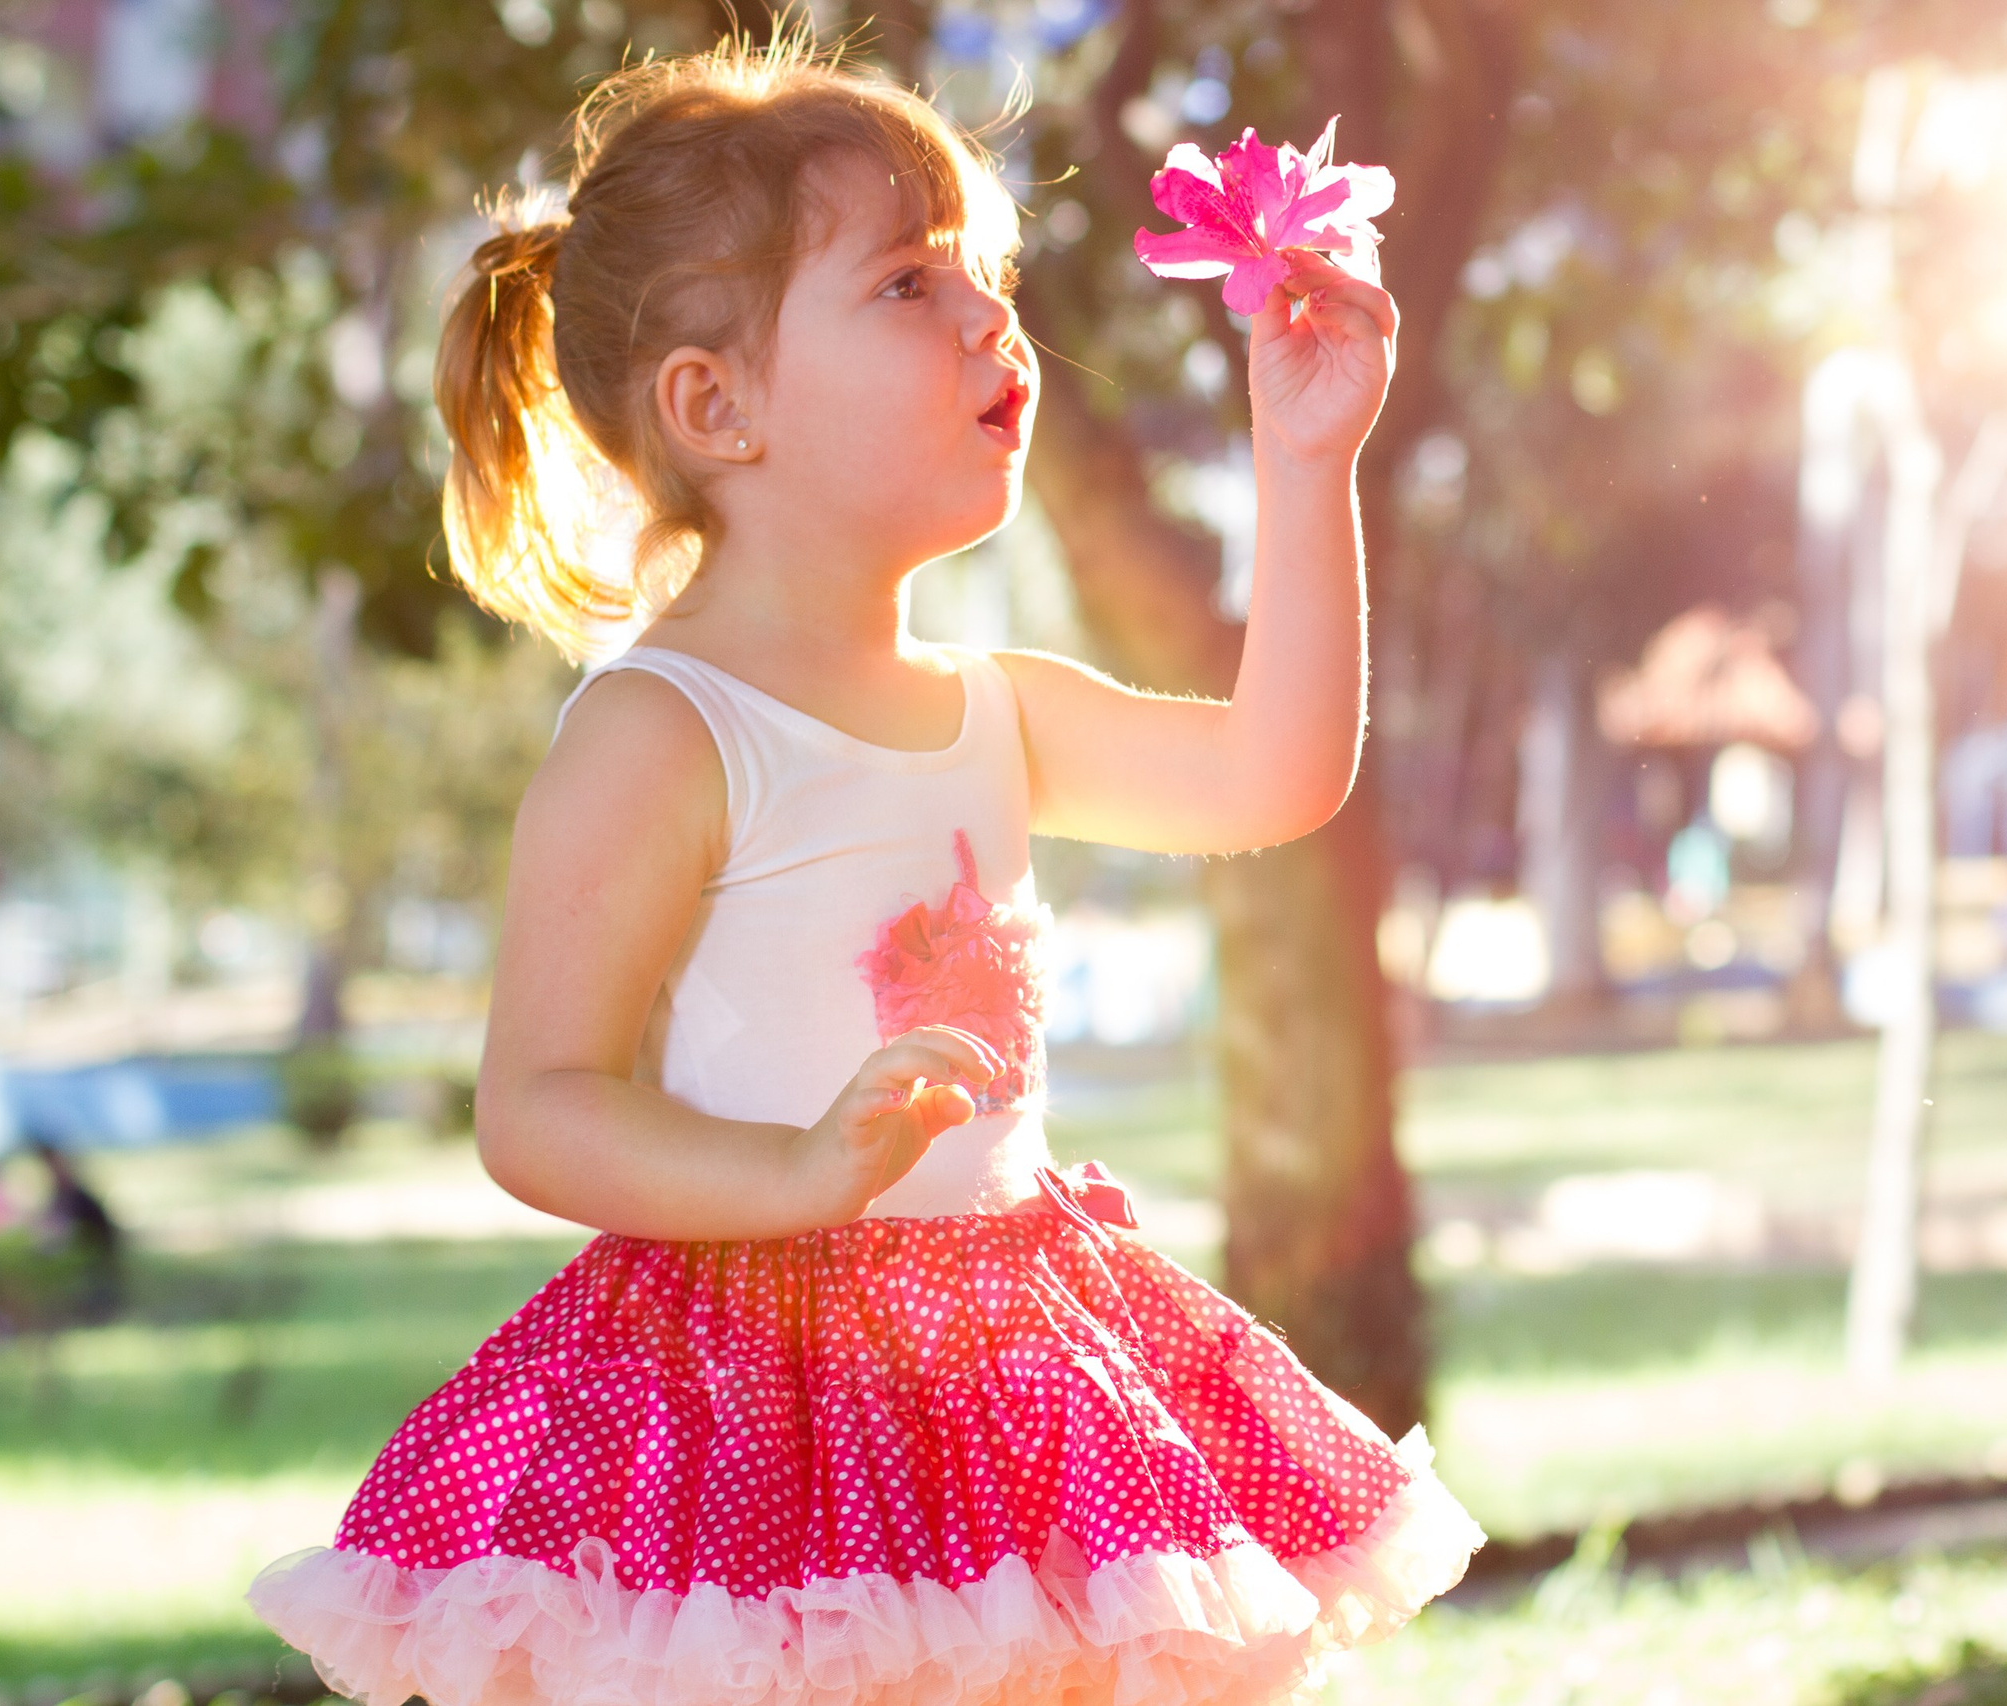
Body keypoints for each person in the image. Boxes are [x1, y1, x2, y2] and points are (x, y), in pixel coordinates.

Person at [247, 30, 1481, 1706]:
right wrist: (793, 1176)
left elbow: (1272, 774)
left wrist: (1306, 461)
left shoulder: (995, 709)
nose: (993, 318)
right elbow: (538, 1102)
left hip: (1011, 1362)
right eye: (911, 283)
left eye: (987, 273)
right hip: (757, 1409)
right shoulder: (664, 734)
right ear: (717, 403)